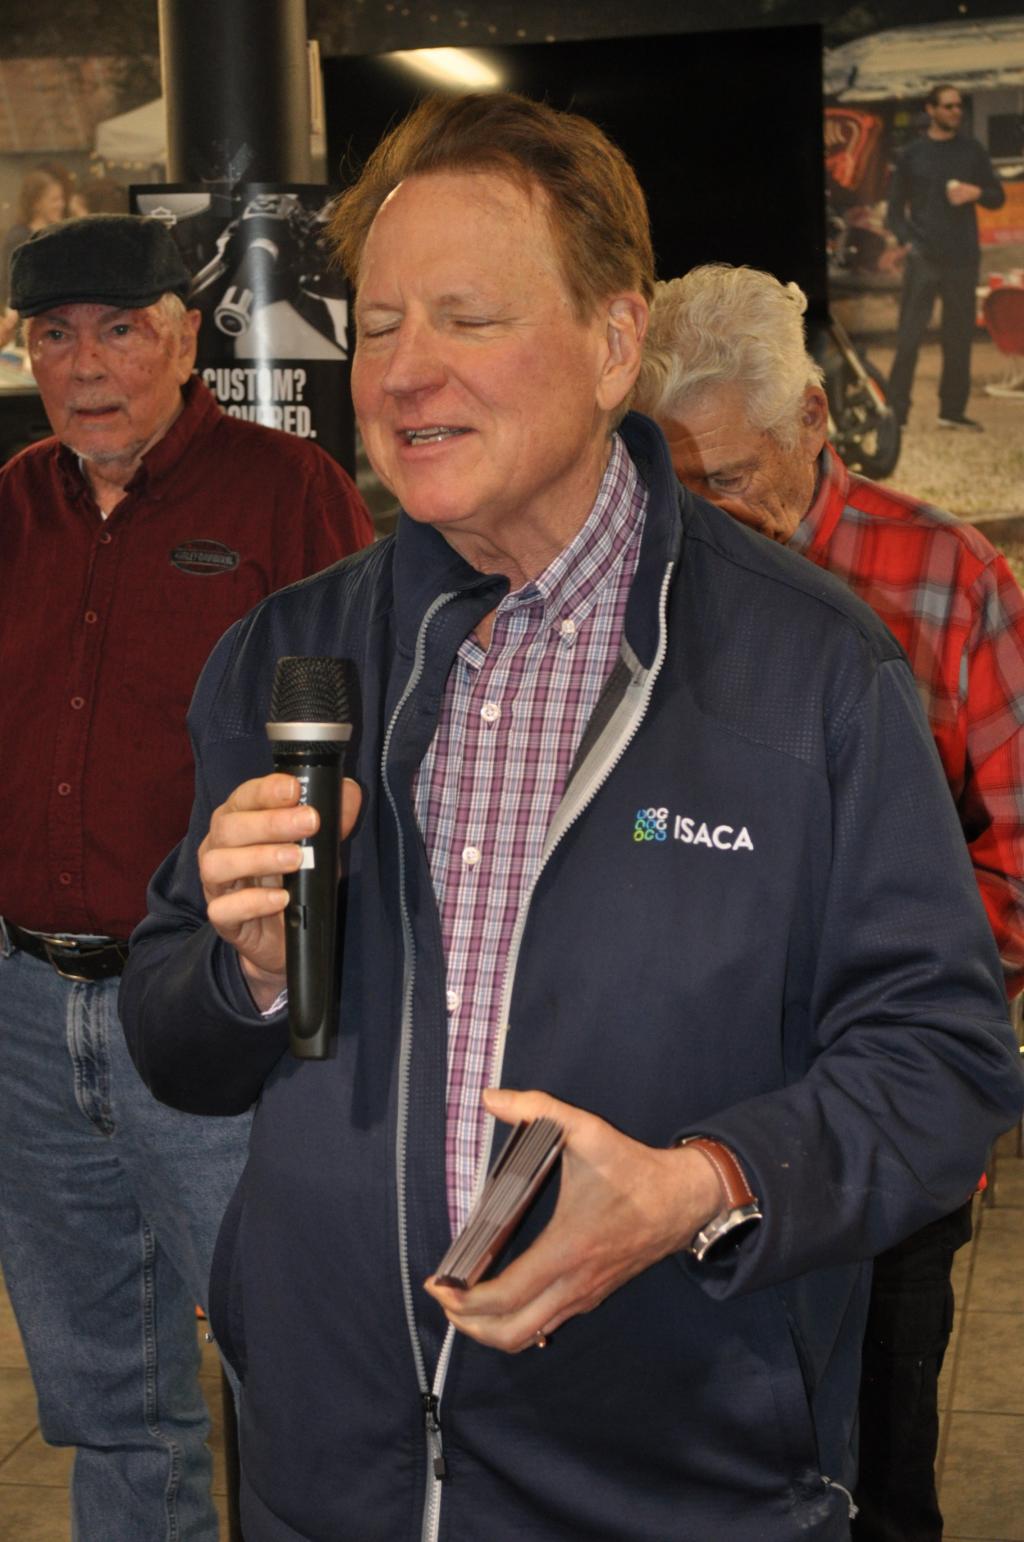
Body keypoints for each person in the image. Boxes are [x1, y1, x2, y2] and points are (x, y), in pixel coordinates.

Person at [120, 94, 1023, 1542]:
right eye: (380, 322)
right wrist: (249, 973)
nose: (403, 371)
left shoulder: (809, 670)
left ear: (614, 346)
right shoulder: (293, 658)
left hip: (671, 1486)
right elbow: (173, 1040)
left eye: (467, 319)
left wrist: (698, 1188)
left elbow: (943, 1060)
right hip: (328, 1480)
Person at [633, 260, 1024, 1542]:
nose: (704, 520)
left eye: (730, 480)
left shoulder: (945, 577)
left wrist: (843, 989)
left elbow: (1017, 863)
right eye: (676, 485)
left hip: (872, 1126)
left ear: (812, 419)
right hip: (661, 1127)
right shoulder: (624, 580)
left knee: (874, 1478)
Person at [0, 214, 372, 1542]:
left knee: (294, 1363)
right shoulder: (14, 502)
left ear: (183, 340)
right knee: (102, 1387)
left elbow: (362, 739)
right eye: (55, 335)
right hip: (26, 1011)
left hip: (219, 1000)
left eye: (120, 330)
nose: (86, 363)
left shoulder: (287, 491)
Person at [885, 82, 1006, 431]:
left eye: (959, 106)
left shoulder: (972, 151)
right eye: (949, 106)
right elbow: (894, 211)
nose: (956, 112)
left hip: (962, 257)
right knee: (909, 337)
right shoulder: (912, 154)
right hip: (924, 256)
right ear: (931, 109)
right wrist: (908, 242)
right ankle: (895, 413)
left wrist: (976, 192)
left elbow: (997, 196)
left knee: (958, 338)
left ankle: (951, 412)